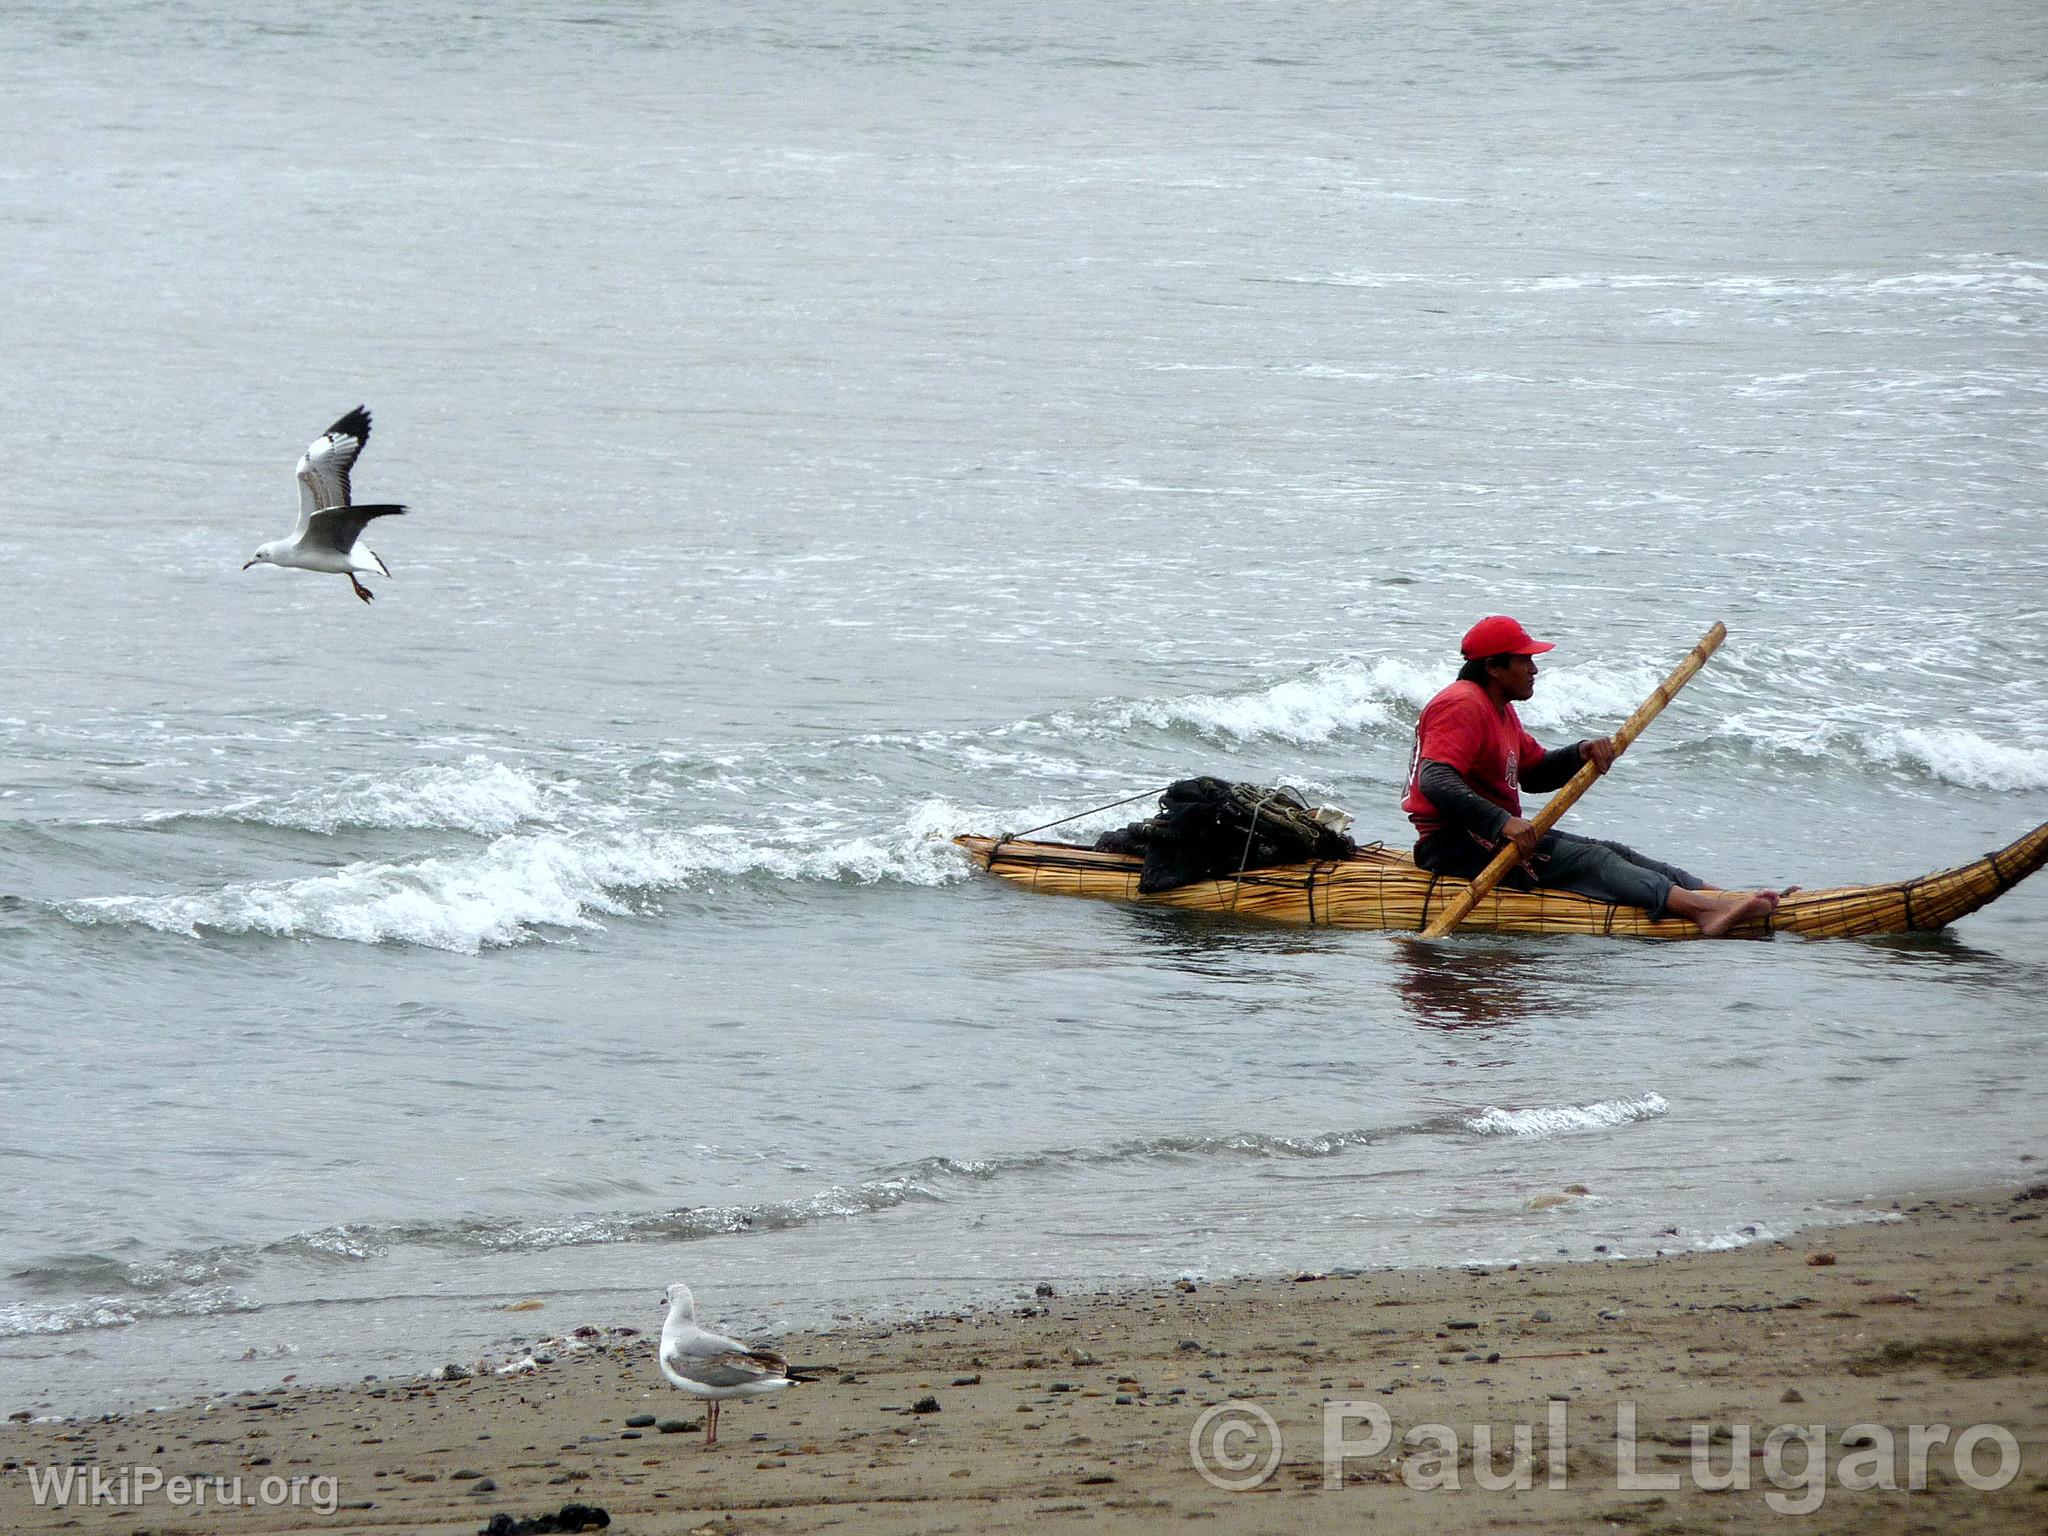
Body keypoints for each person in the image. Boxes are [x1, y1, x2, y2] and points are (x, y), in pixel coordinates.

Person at [1401, 616, 1779, 938]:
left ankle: (1722, 898)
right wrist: (1502, 822)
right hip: (1455, 845)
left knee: (1616, 851)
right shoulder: (1463, 703)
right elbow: (1434, 779)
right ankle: (1703, 912)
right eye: (1525, 661)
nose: (1534, 669)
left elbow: (1533, 772)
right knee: (1592, 860)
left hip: (1488, 836)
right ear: (1493, 668)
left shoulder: (1499, 709)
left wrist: (1580, 752)